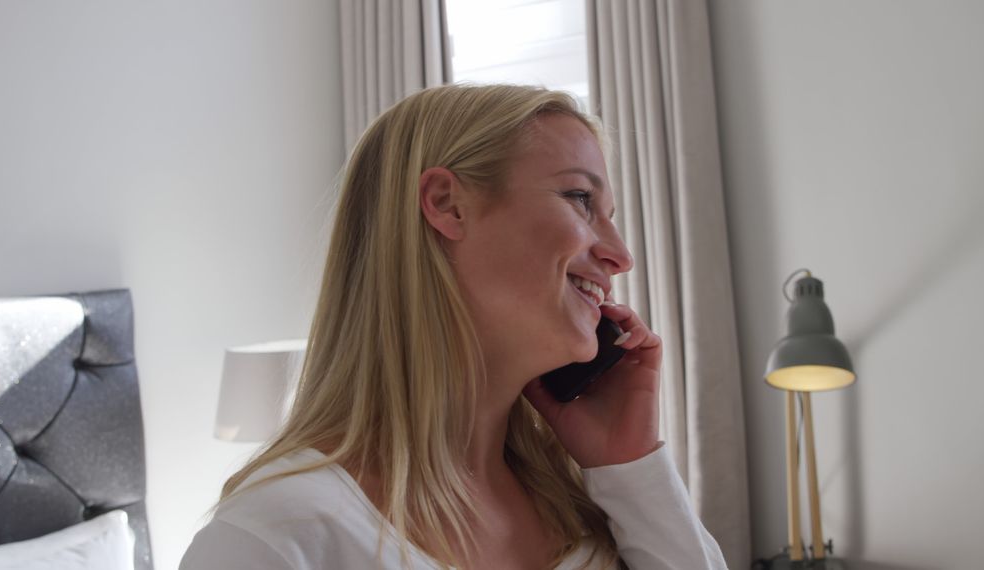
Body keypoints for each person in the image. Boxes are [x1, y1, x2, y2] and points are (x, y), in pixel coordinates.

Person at [180, 84, 727, 570]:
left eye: (610, 215)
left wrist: (630, 465)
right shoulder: (277, 537)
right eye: (580, 199)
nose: (620, 255)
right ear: (447, 205)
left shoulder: (584, 501)